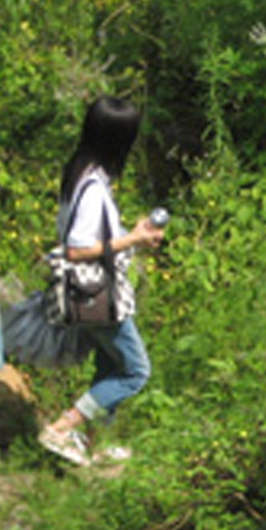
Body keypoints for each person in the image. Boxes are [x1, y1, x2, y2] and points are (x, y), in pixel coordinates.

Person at [38, 95, 166, 466]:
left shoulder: (79, 172)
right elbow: (77, 248)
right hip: (96, 293)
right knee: (136, 371)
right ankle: (62, 428)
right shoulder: (93, 187)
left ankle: (92, 447)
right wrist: (136, 239)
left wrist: (130, 233)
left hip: (87, 292)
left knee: (110, 366)